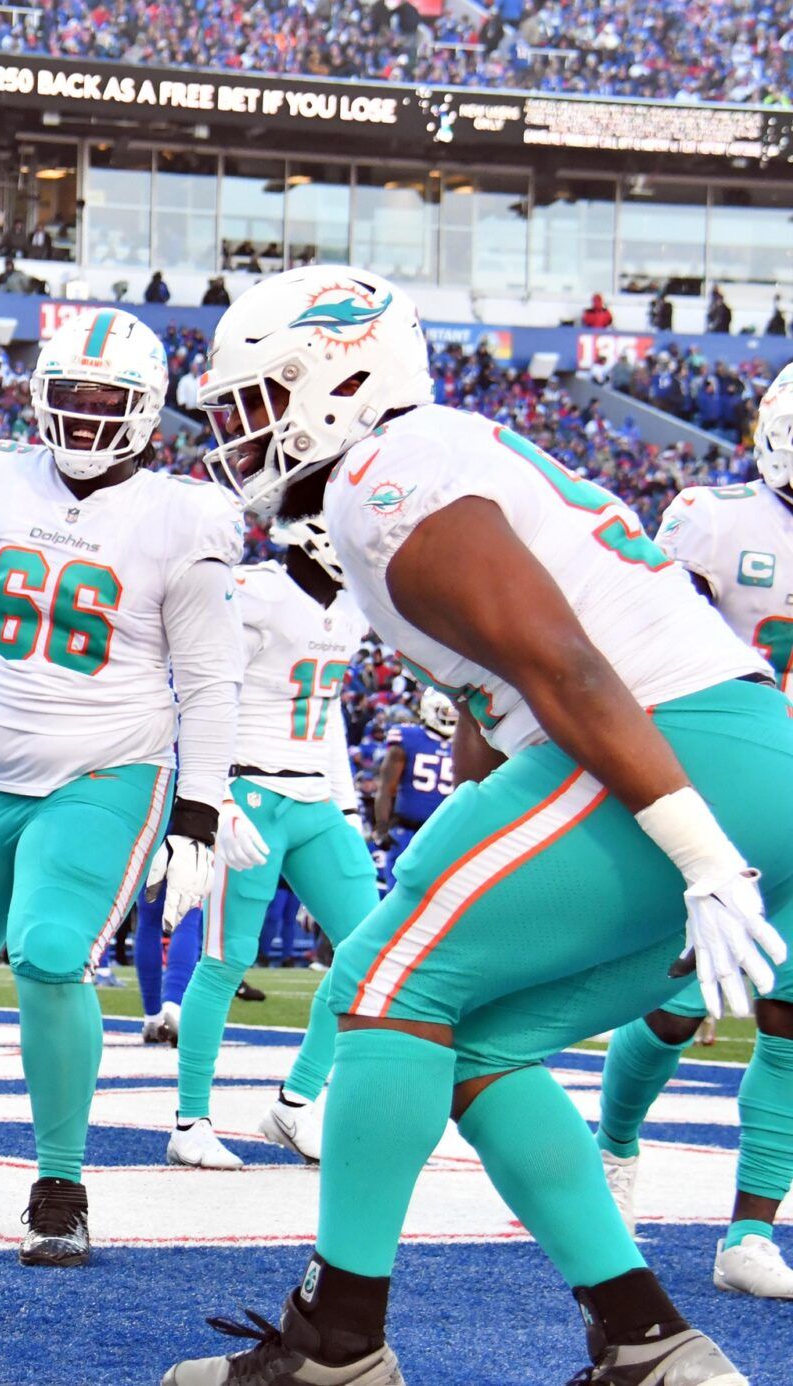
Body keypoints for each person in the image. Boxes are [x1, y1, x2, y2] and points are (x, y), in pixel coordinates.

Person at [168, 263, 781, 1384]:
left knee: (383, 989)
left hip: (671, 749)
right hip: (746, 757)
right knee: (475, 1037)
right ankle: (648, 1342)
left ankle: (333, 1348)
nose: (237, 437)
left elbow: (567, 664)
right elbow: (497, 698)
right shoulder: (429, 459)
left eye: (255, 404)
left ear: (337, 381)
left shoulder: (381, 476)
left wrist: (700, 853)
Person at [0, 310, 244, 1269]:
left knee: (50, 953)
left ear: (147, 411)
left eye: (104, 401)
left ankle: (59, 1184)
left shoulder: (180, 515)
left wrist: (199, 805)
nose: (82, 417)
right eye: (68, 395)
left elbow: (207, 680)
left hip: (105, 768)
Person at [590, 362, 793, 1298]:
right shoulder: (717, 518)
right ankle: (615, 1144)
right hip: (727, 793)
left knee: (789, 1025)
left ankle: (749, 1234)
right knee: (675, 1008)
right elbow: (649, 636)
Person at [167, 528, 380, 1170]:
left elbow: (331, 708)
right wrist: (215, 799)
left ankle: (295, 1104)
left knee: (373, 952)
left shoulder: (352, 608)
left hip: (317, 799)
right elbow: (197, 690)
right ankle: (189, 1121)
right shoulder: (255, 592)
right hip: (250, 790)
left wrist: (346, 806)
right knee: (226, 959)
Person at [373, 689, 457, 888]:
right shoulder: (407, 737)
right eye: (446, 712)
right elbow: (386, 787)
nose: (451, 717)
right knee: (398, 894)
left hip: (447, 834)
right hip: (408, 830)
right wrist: (382, 826)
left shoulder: (465, 741)